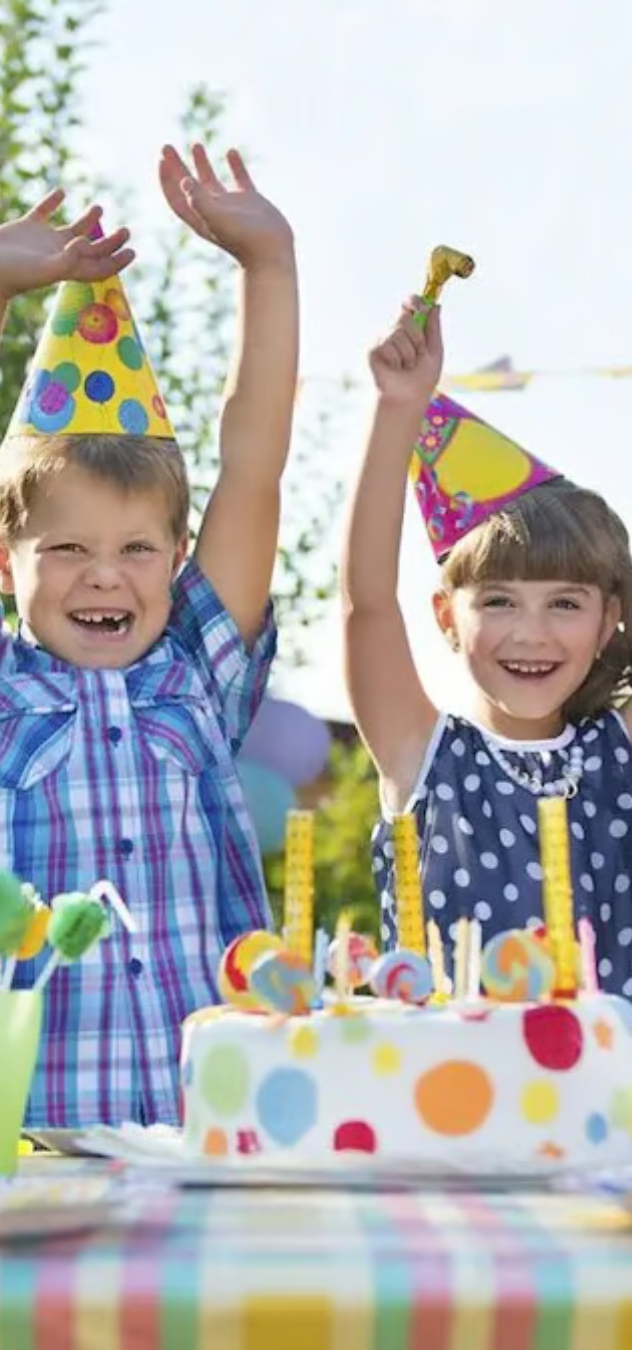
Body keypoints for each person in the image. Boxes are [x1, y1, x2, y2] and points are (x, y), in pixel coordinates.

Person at [342, 293, 632, 1031]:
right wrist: (396, 410)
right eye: (499, 602)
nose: (531, 632)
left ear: (607, 623)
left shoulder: (628, 753)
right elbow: (366, 601)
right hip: (448, 1115)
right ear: (447, 618)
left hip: (614, 1113)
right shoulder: (418, 752)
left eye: (564, 603)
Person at [0, 142, 299, 1127]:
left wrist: (269, 268)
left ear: (178, 554)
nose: (102, 573)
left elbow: (251, 465)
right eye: (67, 547)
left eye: (136, 547)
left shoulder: (197, 673)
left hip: (208, 1135)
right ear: (9, 565)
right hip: (30, 1144)